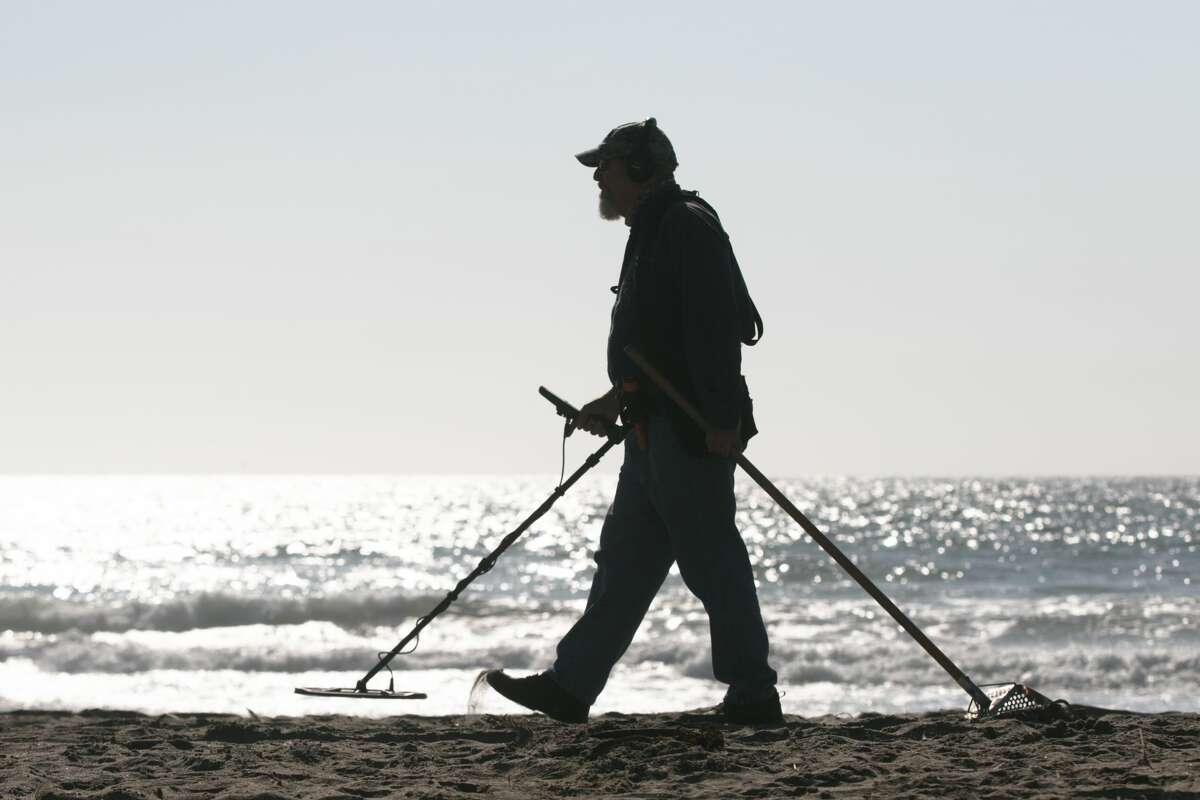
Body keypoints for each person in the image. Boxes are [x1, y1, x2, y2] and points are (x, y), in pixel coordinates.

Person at [486, 118, 780, 724]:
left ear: (643, 170)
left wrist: (722, 419)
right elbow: (655, 349)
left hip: (689, 433)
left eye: (608, 166)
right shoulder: (650, 229)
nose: (599, 178)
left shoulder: (686, 225)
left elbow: (714, 331)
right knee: (624, 565)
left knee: (712, 562)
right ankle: (570, 688)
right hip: (651, 433)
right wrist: (613, 400)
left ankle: (753, 694)